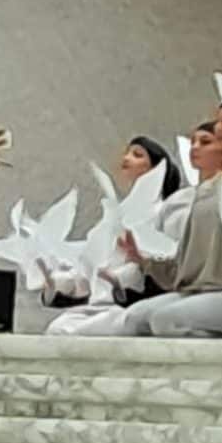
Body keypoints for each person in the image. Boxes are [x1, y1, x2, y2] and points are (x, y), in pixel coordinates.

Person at [123, 100, 222, 339]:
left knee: (165, 320)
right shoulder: (206, 192)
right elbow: (183, 265)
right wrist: (143, 260)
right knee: (134, 319)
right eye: (218, 122)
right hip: (196, 293)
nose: (219, 128)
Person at [43, 137, 182, 337]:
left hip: (127, 305)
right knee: (57, 329)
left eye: (137, 154)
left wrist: (117, 277)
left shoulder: (162, 212)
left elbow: (156, 267)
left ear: (156, 168)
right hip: (97, 305)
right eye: (127, 153)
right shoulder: (115, 215)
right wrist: (57, 280)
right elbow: (89, 267)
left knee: (85, 332)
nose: (127, 158)